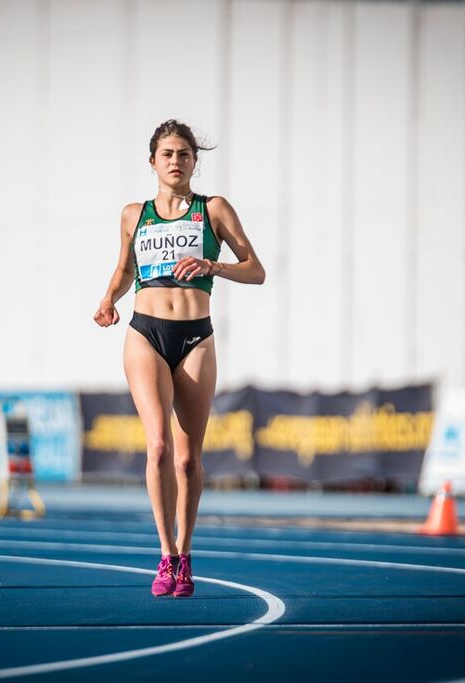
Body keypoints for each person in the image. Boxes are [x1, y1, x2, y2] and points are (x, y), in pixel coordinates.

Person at [94, 120, 264, 597]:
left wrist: (214, 265)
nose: (175, 161)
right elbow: (125, 269)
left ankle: (185, 555)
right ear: (152, 161)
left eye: (184, 154)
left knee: (188, 459)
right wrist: (108, 298)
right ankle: (166, 554)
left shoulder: (214, 210)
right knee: (158, 447)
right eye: (167, 154)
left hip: (195, 338)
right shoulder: (134, 214)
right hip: (145, 333)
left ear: (194, 161)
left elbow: (256, 270)